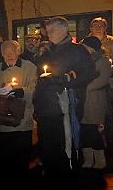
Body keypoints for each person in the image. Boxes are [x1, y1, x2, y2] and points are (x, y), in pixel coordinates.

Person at [33, 16, 96, 186]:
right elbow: (39, 77)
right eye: (47, 30)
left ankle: (68, 176)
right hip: (46, 106)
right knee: (47, 143)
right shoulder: (47, 51)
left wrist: (65, 80)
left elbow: (89, 73)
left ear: (63, 29)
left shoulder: (77, 50)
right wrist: (36, 103)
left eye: (51, 30)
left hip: (65, 105)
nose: (48, 34)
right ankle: (51, 173)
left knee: (66, 142)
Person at [0, 40, 35, 188]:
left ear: (19, 51)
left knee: (22, 158)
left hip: (23, 120)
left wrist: (22, 91)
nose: (9, 55)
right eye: (5, 53)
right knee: (6, 158)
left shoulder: (29, 67)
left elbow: (36, 89)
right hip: (3, 121)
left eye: (12, 51)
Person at [79, 36, 112, 170]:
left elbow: (103, 78)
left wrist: (84, 86)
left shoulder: (103, 61)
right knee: (84, 130)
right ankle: (88, 159)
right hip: (83, 100)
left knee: (95, 130)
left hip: (96, 99)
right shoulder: (82, 61)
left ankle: (100, 159)